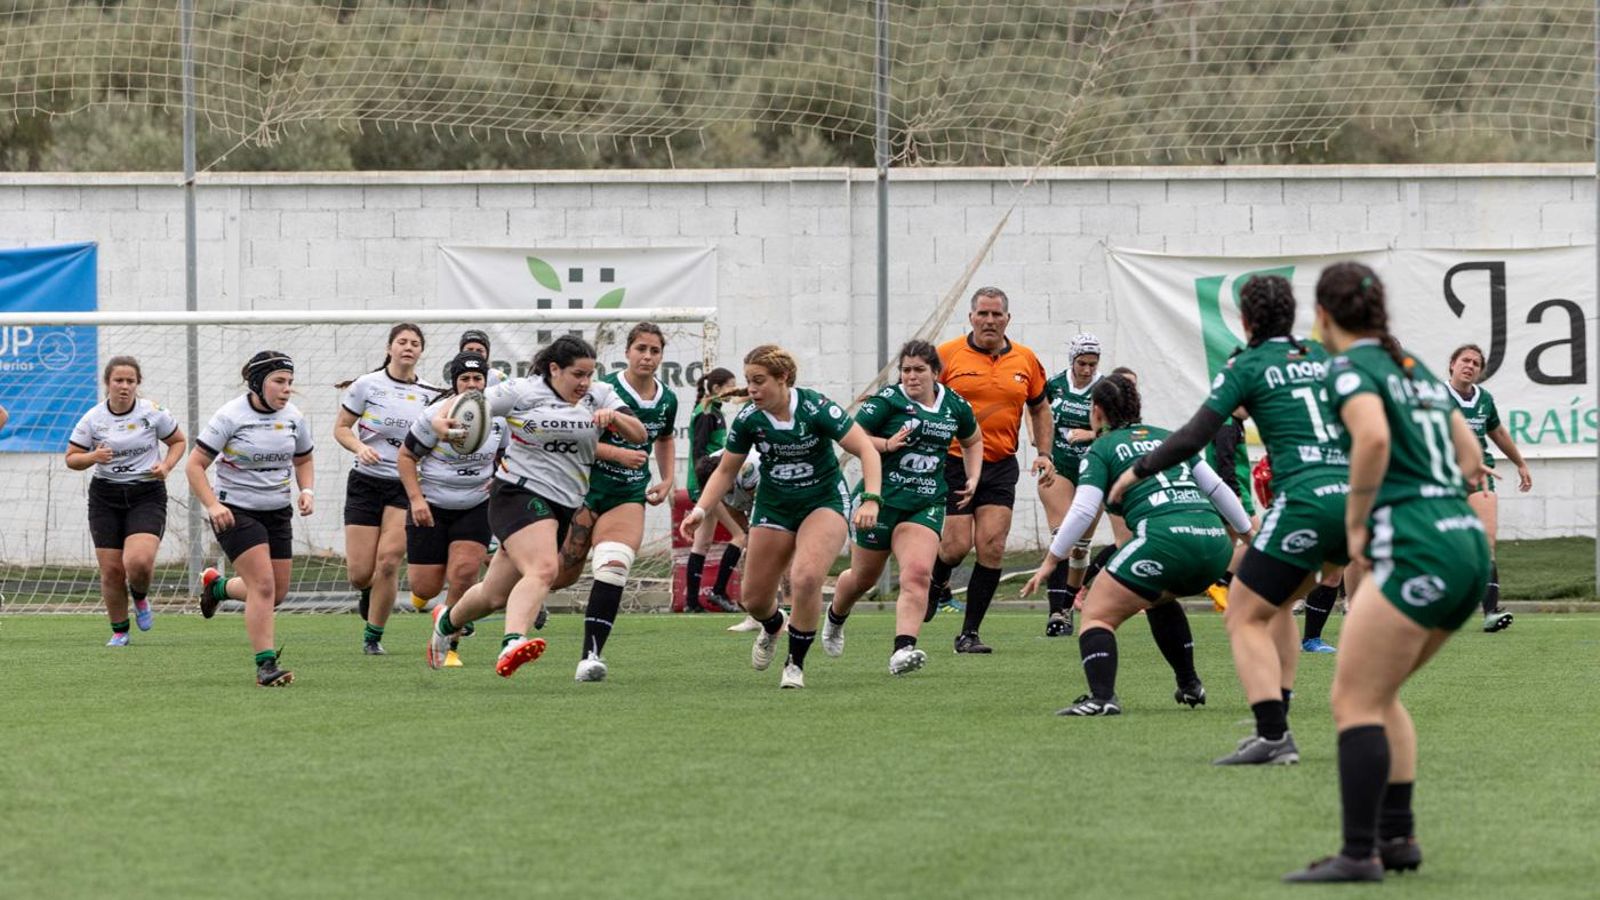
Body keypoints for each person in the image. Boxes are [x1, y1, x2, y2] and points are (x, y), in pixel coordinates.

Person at [1282, 263, 1490, 883]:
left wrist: (1357, 525)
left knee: (1354, 698)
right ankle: (1397, 838)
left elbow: (1371, 439)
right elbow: (1470, 455)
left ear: (1322, 316)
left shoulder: (1348, 367)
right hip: (1465, 542)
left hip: (1420, 546)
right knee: (1380, 693)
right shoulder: (1414, 368)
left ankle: (1358, 852)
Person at [1111, 274, 1349, 765]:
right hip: (1354, 496)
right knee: (1277, 602)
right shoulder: (1320, 355)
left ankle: (1273, 736)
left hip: (1304, 500)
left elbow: (1191, 435)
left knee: (1242, 610)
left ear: (1245, 320)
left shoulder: (1247, 364)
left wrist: (1137, 470)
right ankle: (1279, 716)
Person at [1023, 375, 1252, 716]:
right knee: (1158, 598)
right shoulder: (1169, 438)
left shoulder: (1101, 448)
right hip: (1215, 546)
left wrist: (1050, 561)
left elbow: (1084, 509)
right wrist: (1250, 538)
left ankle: (1102, 698)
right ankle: (1189, 684)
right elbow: (1218, 489)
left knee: (1097, 614)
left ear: (1097, 412)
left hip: (1166, 540)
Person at [425, 335, 645, 678]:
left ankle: (446, 621)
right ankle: (513, 641)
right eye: (577, 374)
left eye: (589, 374)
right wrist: (442, 422)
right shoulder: (521, 391)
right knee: (544, 569)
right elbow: (466, 404)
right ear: (554, 368)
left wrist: (615, 419)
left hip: (564, 504)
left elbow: (639, 434)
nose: (584, 382)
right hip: (516, 492)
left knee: (494, 594)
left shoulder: (600, 394)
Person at [678, 344, 882, 689]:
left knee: (805, 577)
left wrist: (872, 499)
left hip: (823, 500)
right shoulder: (749, 420)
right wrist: (700, 510)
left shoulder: (816, 408)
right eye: (748, 381)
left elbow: (865, 448)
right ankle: (773, 624)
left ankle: (795, 664)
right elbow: (726, 470)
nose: (752, 389)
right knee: (754, 599)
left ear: (783, 378)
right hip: (774, 505)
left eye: (759, 381)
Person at [821, 340, 982, 674]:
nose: (911, 376)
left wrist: (973, 476)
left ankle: (903, 649)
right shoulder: (886, 402)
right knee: (863, 578)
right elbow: (853, 438)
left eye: (919, 370)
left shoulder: (954, 405)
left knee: (918, 573)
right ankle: (836, 615)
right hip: (879, 501)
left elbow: (973, 439)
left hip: (924, 502)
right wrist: (886, 444)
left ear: (936, 372)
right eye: (906, 370)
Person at [548, 322, 679, 682]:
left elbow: (664, 438)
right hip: (582, 491)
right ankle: (491, 603)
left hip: (627, 495)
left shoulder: (667, 398)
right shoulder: (603, 390)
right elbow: (572, 439)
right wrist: (616, 453)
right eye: (641, 349)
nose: (648, 357)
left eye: (655, 351)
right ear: (627, 352)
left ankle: (590, 656)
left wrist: (666, 478)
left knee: (614, 566)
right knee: (557, 574)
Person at [929, 286, 1054, 653]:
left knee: (992, 547)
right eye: (982, 314)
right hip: (953, 461)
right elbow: (921, 401)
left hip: (999, 464)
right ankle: (937, 583)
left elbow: (1040, 408)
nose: (989, 320)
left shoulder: (1026, 360)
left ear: (1007, 319)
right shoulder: (947, 355)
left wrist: (1044, 452)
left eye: (996, 314)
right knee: (954, 546)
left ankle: (968, 633)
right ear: (971, 317)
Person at [188, 351, 315, 687]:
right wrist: (214, 506)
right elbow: (194, 465)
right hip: (236, 513)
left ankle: (216, 587)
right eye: (279, 382)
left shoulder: (294, 418)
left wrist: (307, 491)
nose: (287, 389)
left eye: (289, 382)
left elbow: (304, 459)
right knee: (263, 586)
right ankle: (266, 665)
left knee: (278, 592)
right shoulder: (230, 416)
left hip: (278, 511)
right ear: (258, 383)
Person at [65, 357, 185, 645]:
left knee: (138, 562)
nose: (124, 386)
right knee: (112, 570)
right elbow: (71, 458)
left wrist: (166, 466)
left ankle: (141, 597)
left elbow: (179, 441)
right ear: (108, 383)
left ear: (137, 384)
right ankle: (120, 631)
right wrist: (93, 457)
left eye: (130, 381)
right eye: (118, 380)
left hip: (146, 494)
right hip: (106, 497)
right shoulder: (93, 418)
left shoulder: (153, 413)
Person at [398, 351, 504, 667]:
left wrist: (499, 479)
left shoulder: (498, 418)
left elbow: (510, 454)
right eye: (464, 379)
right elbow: (405, 457)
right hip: (431, 505)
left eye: (477, 378)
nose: (472, 385)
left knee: (464, 574)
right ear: (454, 383)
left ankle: (450, 646)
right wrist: (416, 500)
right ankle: (438, 606)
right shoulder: (434, 416)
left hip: (475, 505)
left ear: (486, 381)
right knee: (425, 586)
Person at [335, 323, 435, 654]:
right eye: (402, 342)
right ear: (389, 348)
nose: (408, 347)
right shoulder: (367, 385)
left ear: (421, 351)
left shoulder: (431, 395)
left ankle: (373, 637)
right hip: (365, 482)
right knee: (361, 574)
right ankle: (367, 590)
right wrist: (359, 448)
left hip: (405, 485)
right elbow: (341, 428)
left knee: (390, 561)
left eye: (415, 343)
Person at [1445, 343, 1532, 633]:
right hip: (1442, 478)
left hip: (1480, 475)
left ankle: (1491, 612)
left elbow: (1498, 432)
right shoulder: (1434, 396)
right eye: (1465, 360)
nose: (1470, 366)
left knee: (1486, 544)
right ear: (1452, 365)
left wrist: (1520, 463)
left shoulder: (1484, 399)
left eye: (1476, 363)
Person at [1038, 333, 1103, 637]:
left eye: (1092, 363)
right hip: (1060, 467)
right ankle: (1056, 614)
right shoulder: (1054, 385)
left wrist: (1090, 435)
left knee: (1079, 548)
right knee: (1061, 536)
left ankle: (1067, 606)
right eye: (1082, 363)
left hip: (1094, 472)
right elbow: (1036, 413)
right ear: (1072, 361)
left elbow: (1119, 428)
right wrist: (1042, 450)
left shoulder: (1105, 389)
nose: (1087, 369)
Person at [684, 367, 743, 613]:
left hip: (705, 484)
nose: (734, 390)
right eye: (731, 385)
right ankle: (718, 591)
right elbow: (699, 452)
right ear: (717, 388)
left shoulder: (713, 411)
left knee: (702, 543)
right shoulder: (708, 414)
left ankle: (692, 604)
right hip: (706, 484)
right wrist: (708, 487)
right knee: (742, 535)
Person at [693, 449, 763, 630]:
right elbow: (738, 516)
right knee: (748, 543)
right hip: (739, 490)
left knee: (768, 548)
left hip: (779, 494)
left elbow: (762, 508)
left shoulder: (749, 469)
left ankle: (790, 613)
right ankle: (755, 616)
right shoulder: (712, 476)